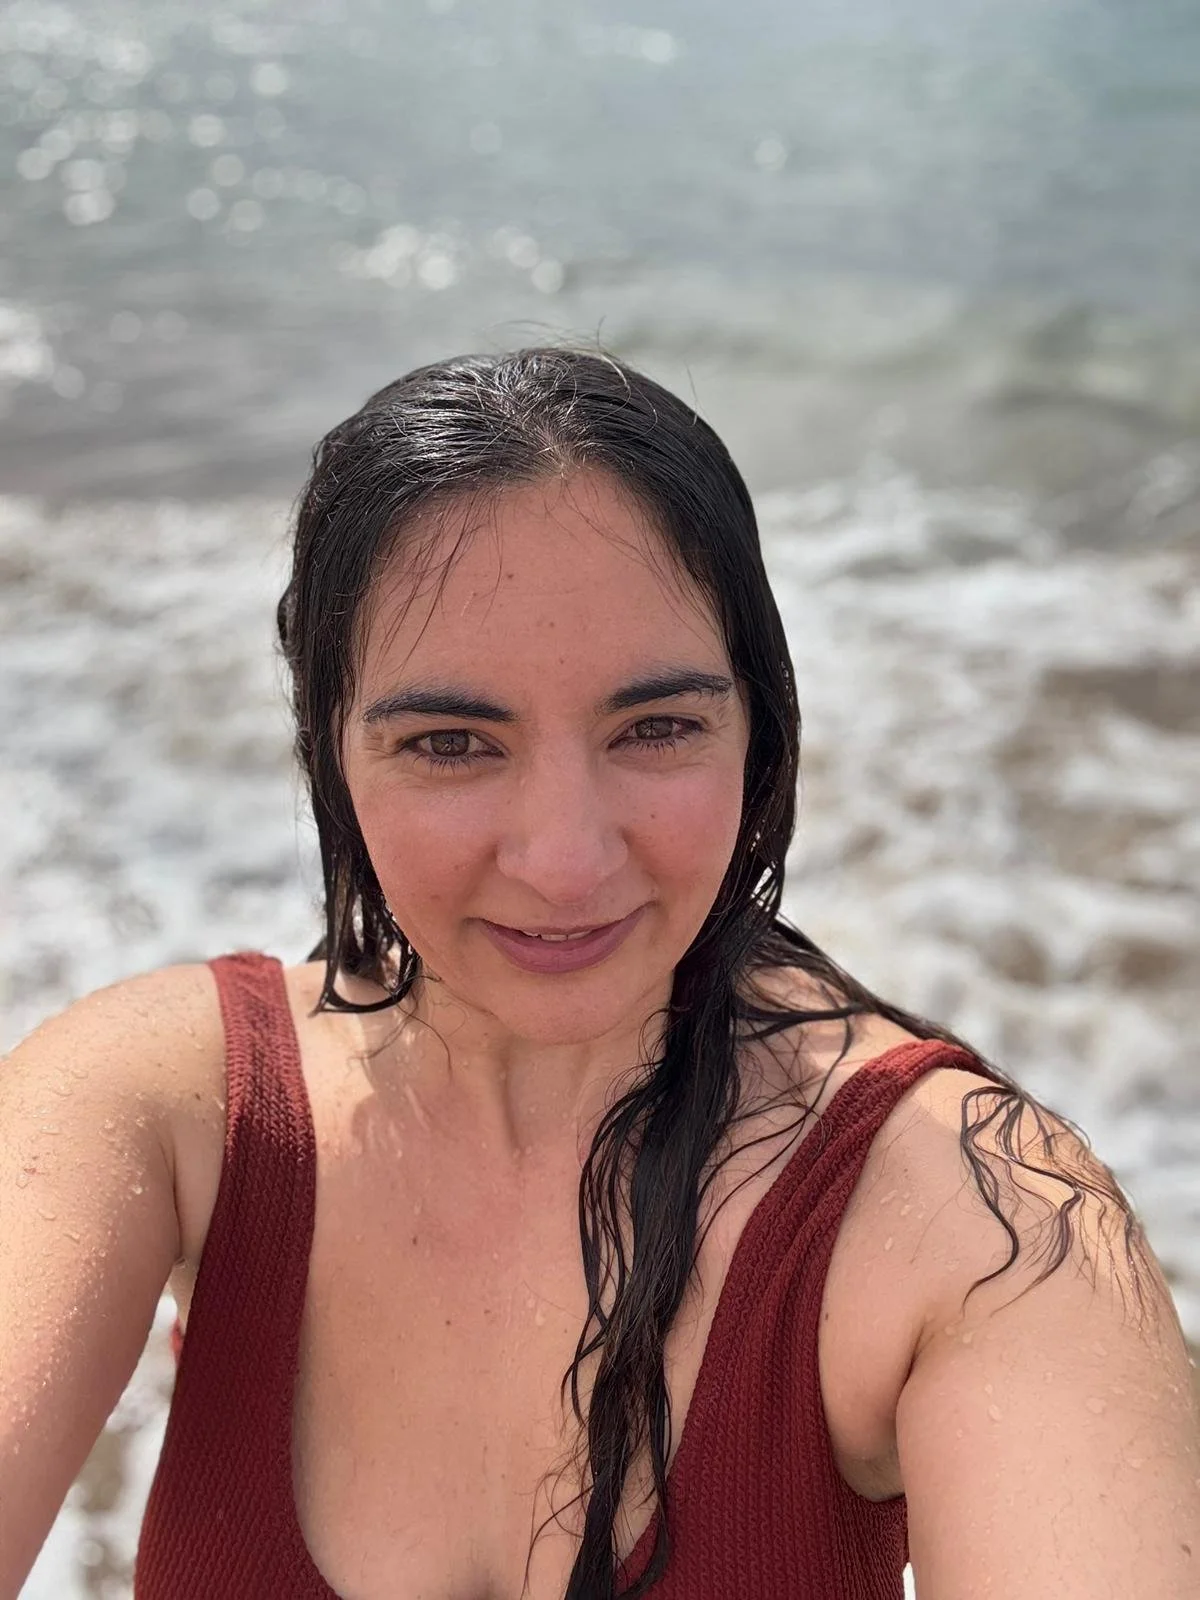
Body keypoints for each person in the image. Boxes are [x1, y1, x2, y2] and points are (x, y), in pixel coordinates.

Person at [2, 347, 1197, 1600]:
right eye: (452, 743)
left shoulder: (981, 1221)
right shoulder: (162, 1111)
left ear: (761, 727)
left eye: (657, 728)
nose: (566, 861)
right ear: (331, 753)